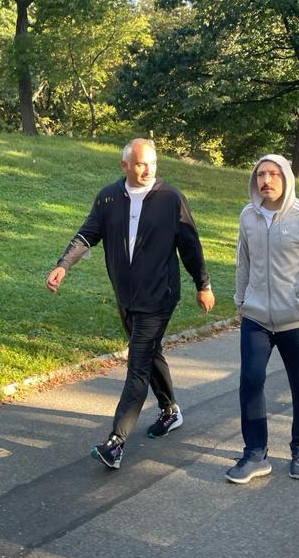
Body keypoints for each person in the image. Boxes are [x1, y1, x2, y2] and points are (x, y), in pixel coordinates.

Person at [46, 138, 215, 469]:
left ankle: (116, 442)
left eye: (152, 162)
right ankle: (170, 411)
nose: (148, 168)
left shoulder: (170, 198)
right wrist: (63, 265)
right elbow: (87, 235)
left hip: (160, 296)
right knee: (150, 354)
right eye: (140, 163)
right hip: (127, 296)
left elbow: (190, 245)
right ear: (124, 165)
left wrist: (203, 285)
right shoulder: (109, 197)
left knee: (137, 363)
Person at [227, 154, 299, 484]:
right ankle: (256, 453)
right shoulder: (248, 216)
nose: (267, 180)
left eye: (274, 174)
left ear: (286, 178)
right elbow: (243, 262)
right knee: (250, 382)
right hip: (256, 318)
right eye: (261, 174)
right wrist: (241, 301)